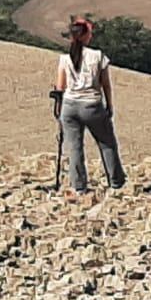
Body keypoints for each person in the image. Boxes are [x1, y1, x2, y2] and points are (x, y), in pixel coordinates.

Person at [54, 17, 125, 198]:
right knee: (107, 144)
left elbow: (60, 86)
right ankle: (116, 182)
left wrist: (59, 110)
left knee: (74, 148)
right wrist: (109, 105)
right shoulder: (98, 56)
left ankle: (79, 186)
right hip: (91, 105)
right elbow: (105, 84)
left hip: (69, 106)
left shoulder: (64, 59)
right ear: (86, 36)